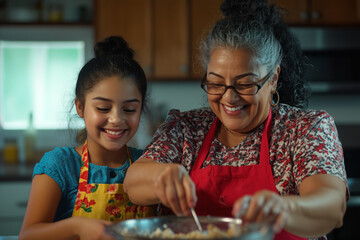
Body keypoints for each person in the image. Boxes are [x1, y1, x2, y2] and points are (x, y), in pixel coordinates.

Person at [123, 0, 348, 239]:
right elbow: (133, 184)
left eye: (245, 83)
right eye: (216, 83)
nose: (229, 97)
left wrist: (284, 208)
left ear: (273, 78)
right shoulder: (186, 129)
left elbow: (332, 206)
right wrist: (162, 177)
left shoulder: (304, 129)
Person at [19, 36, 155, 240]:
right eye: (103, 108)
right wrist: (77, 227)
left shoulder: (147, 164)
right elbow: (28, 236)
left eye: (129, 109)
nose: (116, 119)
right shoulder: (61, 166)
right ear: (80, 107)